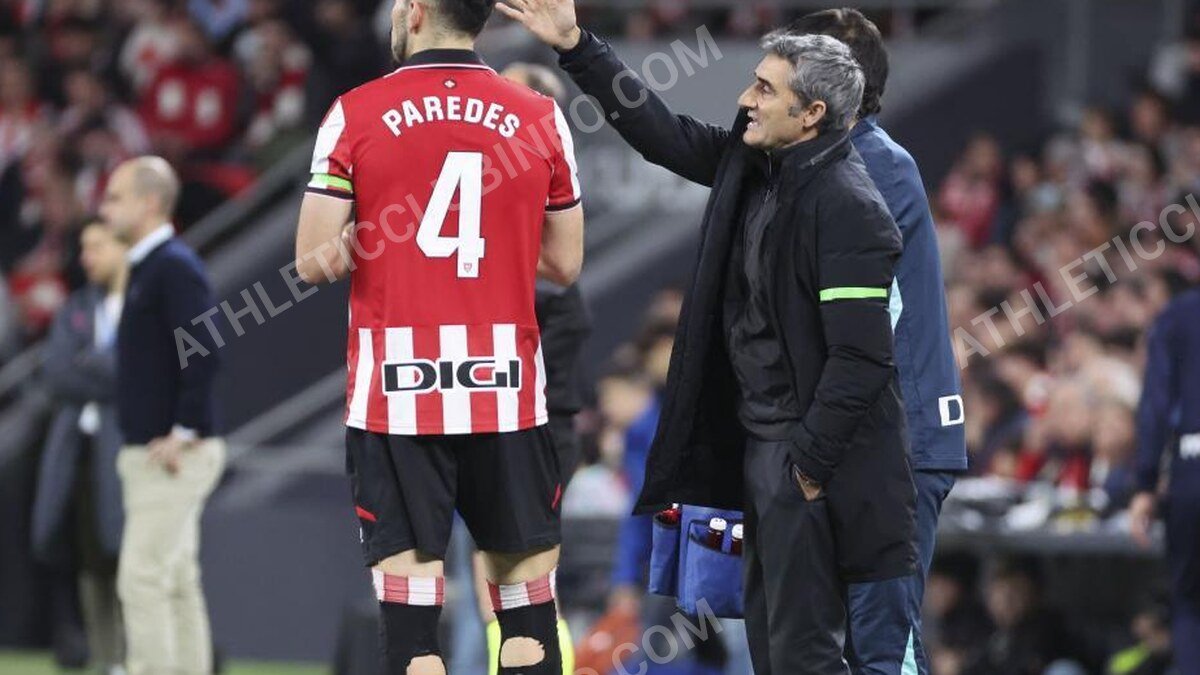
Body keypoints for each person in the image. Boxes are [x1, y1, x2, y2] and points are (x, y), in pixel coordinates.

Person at [499, 2, 916, 673]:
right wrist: (577, 46)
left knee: (805, 655)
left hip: (806, 463)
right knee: (771, 652)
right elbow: (658, 131)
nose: (747, 99)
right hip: (761, 451)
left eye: (766, 89)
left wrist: (805, 468)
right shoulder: (753, 168)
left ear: (812, 114)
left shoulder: (850, 208)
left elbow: (862, 358)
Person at [293, 0, 585, 671]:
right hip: (505, 391)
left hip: (397, 394)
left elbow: (313, 261)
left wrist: (381, 236)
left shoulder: (355, 112)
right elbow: (565, 264)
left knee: (413, 630)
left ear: (417, 11)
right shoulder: (541, 115)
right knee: (527, 619)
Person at [785, 9, 966, 675]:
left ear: (831, 86)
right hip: (866, 437)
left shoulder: (872, 169)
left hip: (900, 443)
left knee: (885, 648)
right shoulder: (836, 164)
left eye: (787, 74)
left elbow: (850, 328)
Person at [102, 156, 225, 675]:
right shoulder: (152, 265)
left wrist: (184, 429)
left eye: (115, 197)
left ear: (150, 203)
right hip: (161, 449)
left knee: (142, 578)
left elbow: (206, 348)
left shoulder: (171, 266)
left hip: (170, 454)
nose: (105, 208)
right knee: (175, 581)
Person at [32, 222, 129, 675]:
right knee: (87, 555)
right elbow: (56, 374)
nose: (87, 257)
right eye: (84, 247)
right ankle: (106, 656)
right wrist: (110, 371)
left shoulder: (147, 303)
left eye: (97, 247)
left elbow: (146, 371)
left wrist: (88, 365)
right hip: (78, 448)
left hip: (129, 447)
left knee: (130, 555)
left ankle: (135, 655)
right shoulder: (76, 306)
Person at [1131, 287, 1200, 675]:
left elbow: (1156, 404)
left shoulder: (1178, 315)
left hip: (1192, 467)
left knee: (1190, 602)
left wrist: (1145, 483)